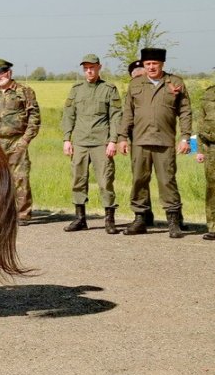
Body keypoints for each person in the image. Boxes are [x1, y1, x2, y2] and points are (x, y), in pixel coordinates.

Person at [116, 47, 192, 237]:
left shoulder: (175, 82)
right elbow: (128, 113)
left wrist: (185, 137)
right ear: (143, 64)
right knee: (139, 180)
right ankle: (140, 219)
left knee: (167, 181)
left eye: (154, 64)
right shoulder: (135, 84)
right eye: (147, 64)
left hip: (165, 141)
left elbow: (185, 112)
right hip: (140, 140)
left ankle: (173, 221)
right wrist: (122, 137)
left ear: (162, 64)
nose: (151, 67)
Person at [0, 59, 41, 225]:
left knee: (20, 179)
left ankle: (23, 214)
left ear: (9, 73)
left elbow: (34, 117)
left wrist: (25, 140)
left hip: (16, 141)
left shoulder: (24, 91)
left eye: (2, 72)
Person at [61, 54, 122, 233]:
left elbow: (116, 116)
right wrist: (67, 139)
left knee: (105, 181)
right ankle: (80, 219)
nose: (89, 71)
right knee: (78, 180)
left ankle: (109, 220)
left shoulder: (109, 89)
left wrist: (113, 141)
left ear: (99, 67)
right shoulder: (76, 89)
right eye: (86, 68)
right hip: (80, 142)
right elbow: (68, 115)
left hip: (101, 143)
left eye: (92, 67)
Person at [195, 81, 215, 241]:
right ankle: (213, 227)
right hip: (212, 148)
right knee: (212, 188)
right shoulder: (208, 94)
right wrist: (200, 150)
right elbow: (201, 124)